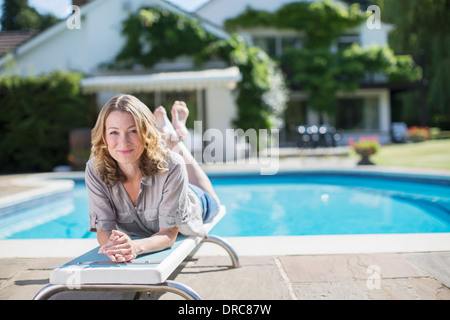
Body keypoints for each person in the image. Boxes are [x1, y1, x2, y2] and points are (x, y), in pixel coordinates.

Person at [85, 94, 220, 263]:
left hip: (191, 199)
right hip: (166, 180)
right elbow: (104, 230)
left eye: (133, 130)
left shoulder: (172, 165)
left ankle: (173, 139)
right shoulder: (95, 169)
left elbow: (168, 234)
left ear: (146, 131)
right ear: (103, 135)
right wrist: (115, 248)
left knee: (214, 200)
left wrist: (135, 247)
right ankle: (169, 134)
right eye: (114, 132)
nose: (123, 141)